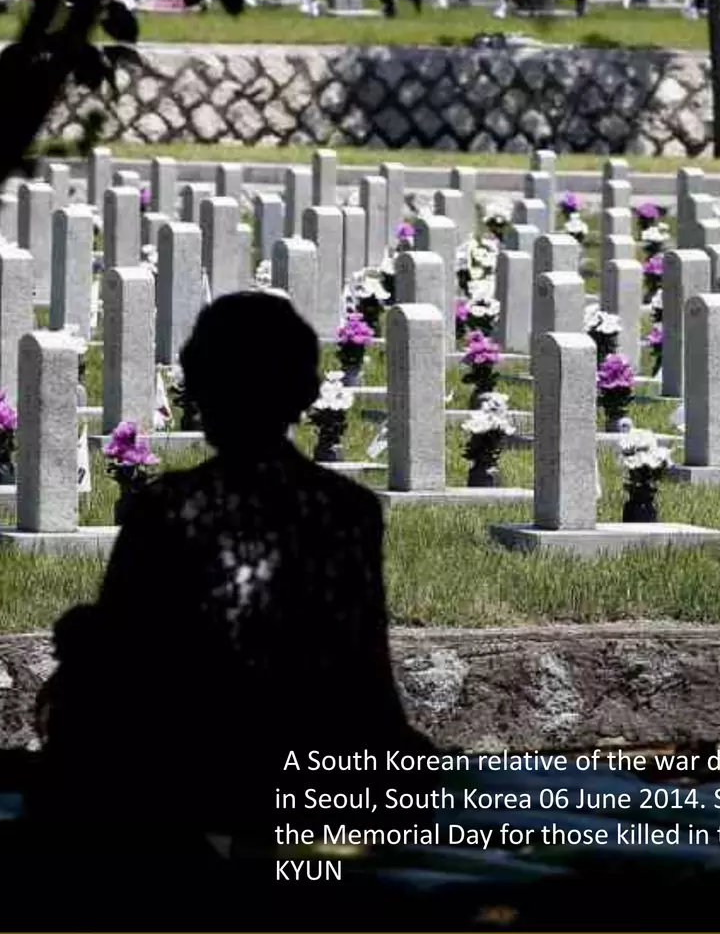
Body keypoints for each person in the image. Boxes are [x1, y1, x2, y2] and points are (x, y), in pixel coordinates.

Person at [32, 293, 430, 844]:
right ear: (306, 394)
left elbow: (120, 666)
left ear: (200, 389)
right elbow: (366, 680)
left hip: (182, 771)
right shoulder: (348, 509)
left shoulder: (166, 505)